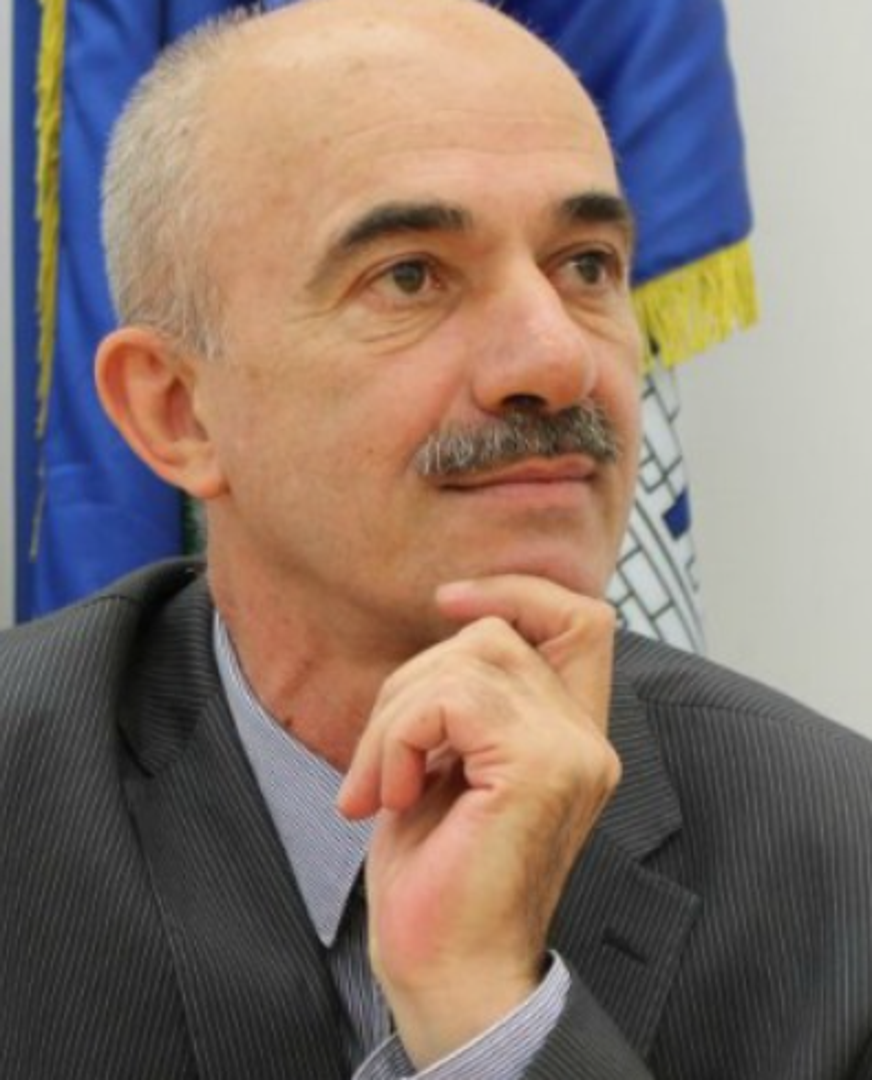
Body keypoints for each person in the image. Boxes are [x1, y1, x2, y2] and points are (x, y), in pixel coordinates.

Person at [1, 1, 870, 1077]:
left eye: (586, 265)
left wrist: (487, 1013)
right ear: (177, 412)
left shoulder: (844, 859)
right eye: (410, 275)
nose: (556, 359)